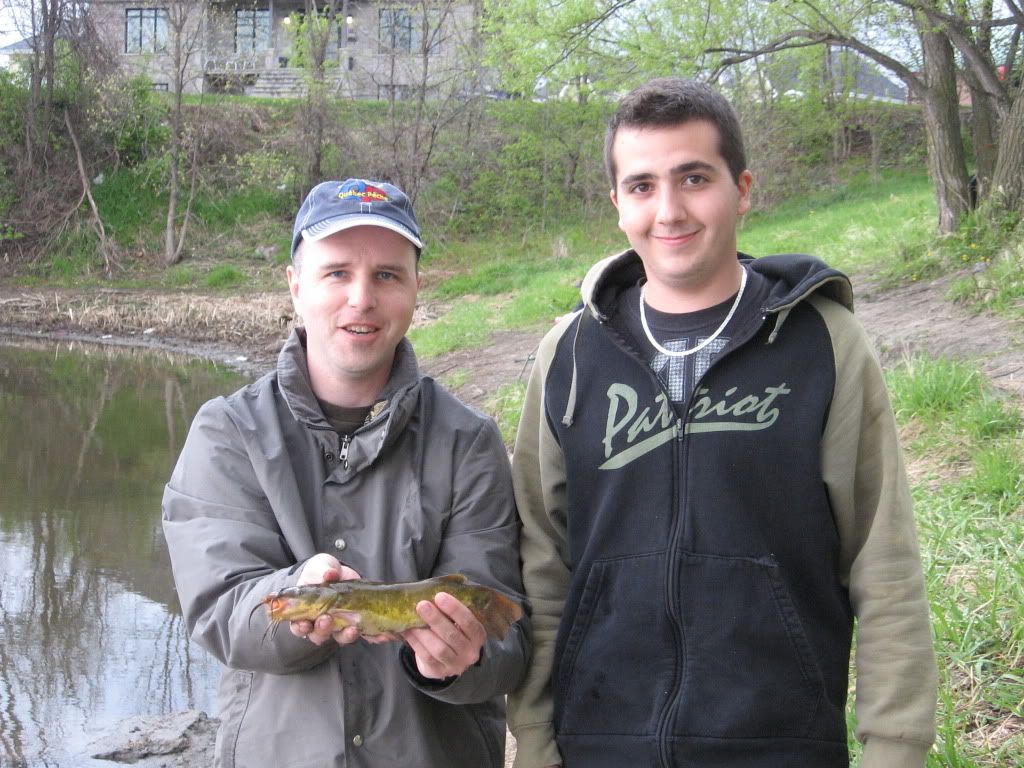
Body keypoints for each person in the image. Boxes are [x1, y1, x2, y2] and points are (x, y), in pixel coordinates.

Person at [507, 78, 937, 768]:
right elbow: (541, 567)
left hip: (780, 742)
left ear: (742, 188)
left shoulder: (823, 341)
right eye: (642, 186)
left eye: (694, 178)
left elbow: (882, 563)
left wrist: (895, 748)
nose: (670, 210)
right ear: (617, 204)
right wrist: (536, 743)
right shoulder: (570, 354)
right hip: (601, 742)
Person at [162, 178, 530, 767]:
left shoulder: (469, 441)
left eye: (387, 275)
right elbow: (219, 609)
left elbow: (508, 638)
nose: (362, 298)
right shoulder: (227, 431)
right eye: (336, 273)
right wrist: (291, 599)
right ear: (295, 285)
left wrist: (461, 659)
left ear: (415, 289)